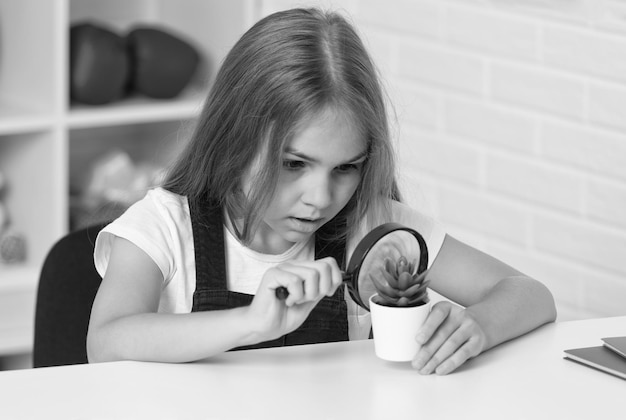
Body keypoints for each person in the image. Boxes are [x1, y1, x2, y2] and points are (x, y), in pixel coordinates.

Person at [87, 7, 557, 375]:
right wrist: (248, 323)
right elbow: (106, 343)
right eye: (294, 164)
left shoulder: (374, 227)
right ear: (234, 136)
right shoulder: (164, 225)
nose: (320, 196)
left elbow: (529, 294)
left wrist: (477, 326)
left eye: (346, 168)